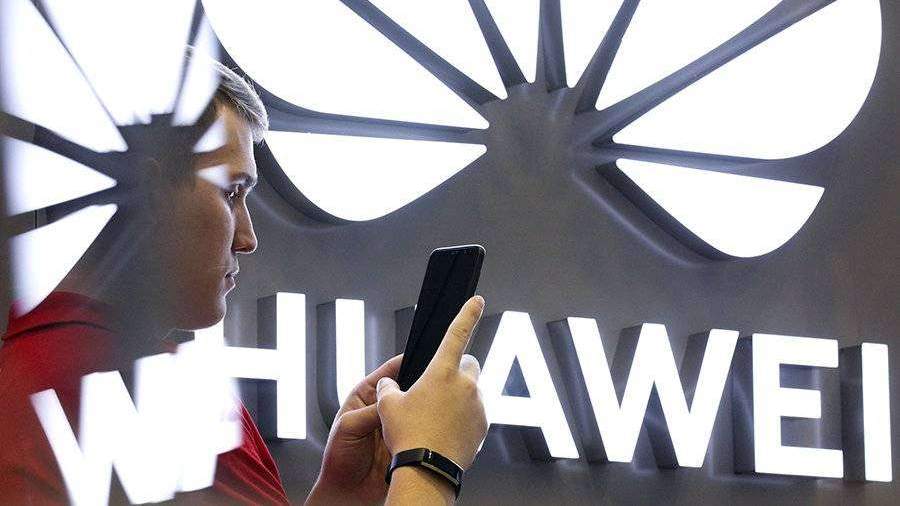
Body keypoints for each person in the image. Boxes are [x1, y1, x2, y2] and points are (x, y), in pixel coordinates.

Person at [0, 56, 488, 504]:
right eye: (232, 192)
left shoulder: (31, 381)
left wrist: (343, 492)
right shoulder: (132, 395)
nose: (248, 238)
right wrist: (430, 462)